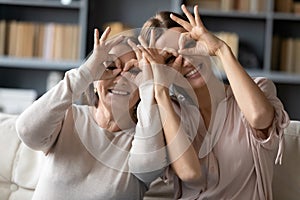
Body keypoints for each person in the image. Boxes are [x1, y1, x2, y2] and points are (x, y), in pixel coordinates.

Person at [132, 4, 290, 199]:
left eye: (189, 44)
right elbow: (190, 173)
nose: (187, 59)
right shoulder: (169, 111)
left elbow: (260, 118)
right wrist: (160, 91)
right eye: (171, 58)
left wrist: (222, 49)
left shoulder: (258, 89)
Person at [15, 27, 167, 200]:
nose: (120, 78)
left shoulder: (145, 137)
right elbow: (27, 131)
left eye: (133, 72)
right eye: (110, 67)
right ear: (95, 81)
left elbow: (148, 168)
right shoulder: (67, 117)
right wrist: (85, 73)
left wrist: (149, 87)